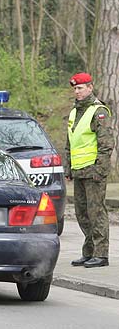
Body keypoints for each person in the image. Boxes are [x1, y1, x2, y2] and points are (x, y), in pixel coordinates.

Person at [65, 72, 114, 268]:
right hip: (78, 171)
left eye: (80, 88)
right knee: (82, 213)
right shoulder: (74, 112)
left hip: (93, 171)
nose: (77, 91)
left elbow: (106, 144)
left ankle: (101, 254)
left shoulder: (98, 111)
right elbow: (71, 143)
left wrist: (99, 170)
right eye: (75, 88)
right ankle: (89, 251)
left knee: (96, 213)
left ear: (90, 87)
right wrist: (68, 168)